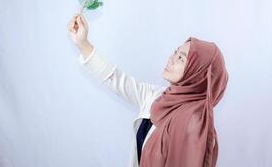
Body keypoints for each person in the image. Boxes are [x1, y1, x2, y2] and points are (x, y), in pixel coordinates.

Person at [67, 14, 229, 167]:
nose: (171, 59)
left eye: (181, 58)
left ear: (198, 73)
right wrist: (83, 44)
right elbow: (116, 79)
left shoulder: (194, 123)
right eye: (175, 52)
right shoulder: (158, 97)